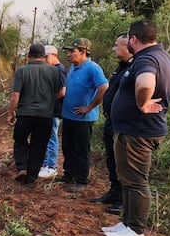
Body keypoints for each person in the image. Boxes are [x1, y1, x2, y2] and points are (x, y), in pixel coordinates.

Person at [102, 20, 170, 236]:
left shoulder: (146, 59)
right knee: (129, 179)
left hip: (138, 131)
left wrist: (142, 104)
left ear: (133, 39)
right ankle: (127, 222)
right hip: (135, 129)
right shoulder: (161, 56)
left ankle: (135, 230)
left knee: (136, 181)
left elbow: (145, 83)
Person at [7, 44, 65, 184]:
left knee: (20, 139)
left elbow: (16, 95)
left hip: (25, 114)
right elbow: (61, 92)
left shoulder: (22, 71)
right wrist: (48, 101)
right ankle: (32, 176)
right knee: (39, 144)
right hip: (46, 115)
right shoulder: (53, 71)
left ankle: (22, 167)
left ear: (29, 56)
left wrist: (11, 113)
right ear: (44, 56)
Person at [58, 38, 108, 192]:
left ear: (83, 52)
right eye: (68, 51)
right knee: (67, 147)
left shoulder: (93, 68)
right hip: (68, 116)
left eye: (72, 51)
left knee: (81, 149)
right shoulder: (73, 67)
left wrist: (89, 107)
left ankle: (81, 180)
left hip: (83, 119)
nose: (69, 54)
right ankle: (69, 174)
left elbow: (104, 87)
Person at [91, 33, 133, 214]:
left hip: (124, 124)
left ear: (127, 46)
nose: (114, 48)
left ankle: (124, 201)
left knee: (123, 162)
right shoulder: (121, 67)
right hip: (111, 121)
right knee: (111, 159)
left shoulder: (135, 67)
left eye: (117, 45)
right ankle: (114, 193)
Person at [39, 45, 67, 178]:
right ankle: (45, 164)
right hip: (48, 110)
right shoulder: (51, 69)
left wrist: (48, 100)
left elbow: (62, 92)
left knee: (51, 137)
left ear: (54, 55)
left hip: (54, 110)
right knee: (45, 136)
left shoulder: (59, 70)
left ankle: (51, 166)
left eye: (46, 57)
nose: (44, 59)